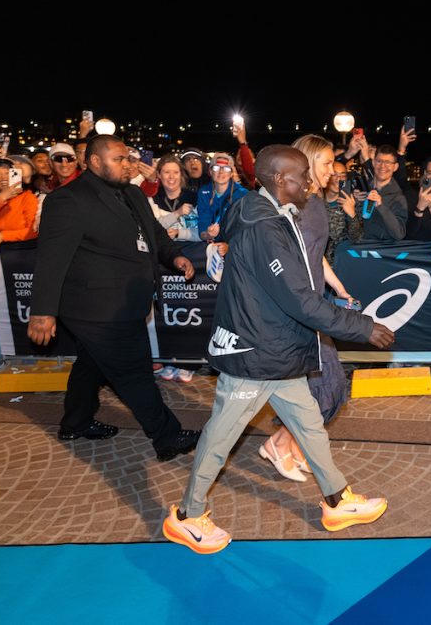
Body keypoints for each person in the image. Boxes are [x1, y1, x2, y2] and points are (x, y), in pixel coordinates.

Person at [163, 145, 394, 554]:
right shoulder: (263, 228)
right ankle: (186, 516)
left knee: (309, 425)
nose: (309, 183)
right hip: (255, 351)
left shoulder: (273, 213)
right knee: (222, 435)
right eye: (301, 176)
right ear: (277, 180)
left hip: (277, 347)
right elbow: (299, 299)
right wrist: (362, 327)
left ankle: (337, 501)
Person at [27, 134, 200, 461]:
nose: (127, 165)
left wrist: (174, 256)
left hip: (127, 301)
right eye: (119, 159)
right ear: (95, 162)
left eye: (128, 158)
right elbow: (51, 260)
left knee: (92, 365)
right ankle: (167, 436)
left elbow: (154, 233)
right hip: (95, 307)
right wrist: (42, 312)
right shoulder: (68, 200)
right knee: (134, 373)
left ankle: (75, 422)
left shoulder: (132, 193)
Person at [252, 134, 359, 483]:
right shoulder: (287, 205)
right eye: (327, 163)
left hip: (314, 305)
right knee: (323, 385)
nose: (333, 170)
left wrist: (338, 287)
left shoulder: (316, 204)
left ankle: (287, 445)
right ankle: (282, 444)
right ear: (308, 163)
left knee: (325, 385)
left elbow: (316, 254)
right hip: (295, 309)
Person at [356, 145, 407, 241]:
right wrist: (355, 202)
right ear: (373, 163)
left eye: (388, 162)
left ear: (395, 167)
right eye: (379, 161)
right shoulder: (363, 188)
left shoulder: (399, 198)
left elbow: (399, 234)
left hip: (381, 248)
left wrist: (381, 206)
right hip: (359, 246)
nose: (383, 166)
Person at [197, 153, 248, 244]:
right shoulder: (204, 192)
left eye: (226, 168)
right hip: (212, 244)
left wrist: (228, 246)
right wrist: (208, 235)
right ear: (210, 171)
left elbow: (245, 228)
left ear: (231, 173)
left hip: (235, 244)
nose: (221, 172)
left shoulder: (242, 194)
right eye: (216, 168)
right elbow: (203, 222)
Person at [0, 158, 38, 245]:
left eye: (7, 172)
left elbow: (34, 230)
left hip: (20, 249)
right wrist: (0, 199)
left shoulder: (27, 197)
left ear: (16, 175)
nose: (3, 177)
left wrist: (2, 236)